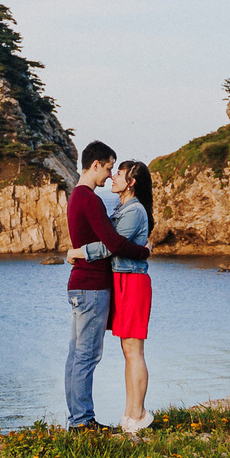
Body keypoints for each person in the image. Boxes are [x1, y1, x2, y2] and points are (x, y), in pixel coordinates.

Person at [63, 141, 149, 429]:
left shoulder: (76, 197)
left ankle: (78, 419)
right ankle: (82, 422)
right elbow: (113, 243)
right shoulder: (90, 199)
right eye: (109, 168)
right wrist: (144, 251)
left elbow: (106, 241)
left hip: (82, 284)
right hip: (92, 285)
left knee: (76, 356)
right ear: (96, 164)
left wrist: (77, 252)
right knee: (86, 356)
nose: (110, 174)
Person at [99, 160, 154, 433]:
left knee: (134, 351)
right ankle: (130, 414)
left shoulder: (134, 210)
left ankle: (139, 413)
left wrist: (79, 253)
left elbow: (111, 246)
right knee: (128, 350)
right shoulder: (123, 208)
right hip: (123, 279)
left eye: (119, 174)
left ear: (131, 182)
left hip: (132, 281)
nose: (113, 177)